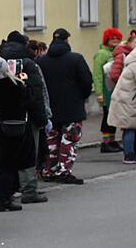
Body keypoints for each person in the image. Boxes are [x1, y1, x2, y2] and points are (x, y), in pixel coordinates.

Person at [0, 55, 44, 216]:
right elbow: (30, 102)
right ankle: (4, 200)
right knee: (9, 165)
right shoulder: (15, 85)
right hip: (15, 130)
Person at [37, 28, 94, 184]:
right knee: (69, 140)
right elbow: (87, 82)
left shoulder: (42, 61)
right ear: (67, 40)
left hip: (50, 108)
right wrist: (81, 97)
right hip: (72, 108)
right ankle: (64, 170)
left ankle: (48, 170)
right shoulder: (76, 59)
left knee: (51, 140)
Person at [92, 28, 124, 153]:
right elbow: (97, 75)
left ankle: (112, 140)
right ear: (107, 39)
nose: (115, 40)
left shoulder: (115, 52)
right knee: (107, 116)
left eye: (117, 38)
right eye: (112, 38)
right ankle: (105, 142)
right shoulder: (102, 54)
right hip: (106, 90)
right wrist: (99, 93)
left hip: (114, 89)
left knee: (113, 115)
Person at [107, 43, 136, 163]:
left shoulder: (133, 60)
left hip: (129, 99)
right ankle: (129, 155)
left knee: (131, 127)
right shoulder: (135, 63)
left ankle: (132, 153)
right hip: (127, 101)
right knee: (129, 127)